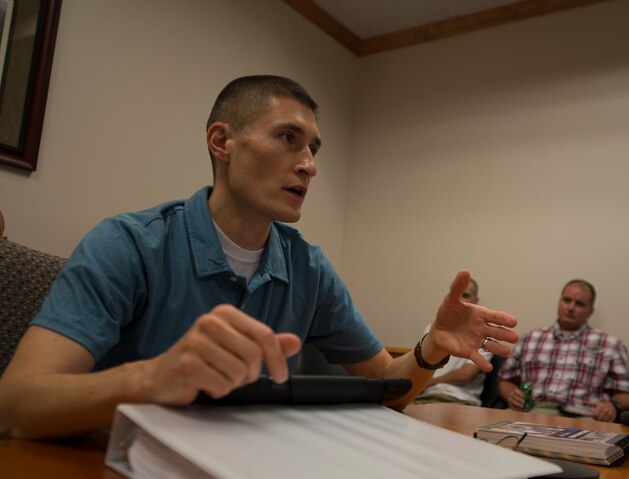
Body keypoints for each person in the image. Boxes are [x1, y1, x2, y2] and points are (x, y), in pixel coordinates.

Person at [0, 75, 519, 440]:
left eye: (314, 148)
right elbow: (15, 407)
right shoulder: (128, 244)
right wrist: (151, 379)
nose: (310, 165)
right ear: (222, 141)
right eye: (289, 139)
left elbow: (387, 387)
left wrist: (431, 347)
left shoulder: (309, 268)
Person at [498, 279, 629, 422]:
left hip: (584, 417)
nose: (571, 307)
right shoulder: (530, 338)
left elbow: (628, 393)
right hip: (532, 412)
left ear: (590, 311)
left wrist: (613, 406)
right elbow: (505, 379)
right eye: (567, 300)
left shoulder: (611, 345)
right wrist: (511, 395)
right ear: (559, 302)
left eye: (579, 304)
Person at [412, 278, 492, 406]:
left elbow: (465, 375)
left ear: (475, 302)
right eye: (456, 295)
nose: (460, 300)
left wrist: (430, 382)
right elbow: (418, 366)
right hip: (424, 397)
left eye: (465, 295)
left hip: (458, 400)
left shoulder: (483, 337)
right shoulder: (432, 329)